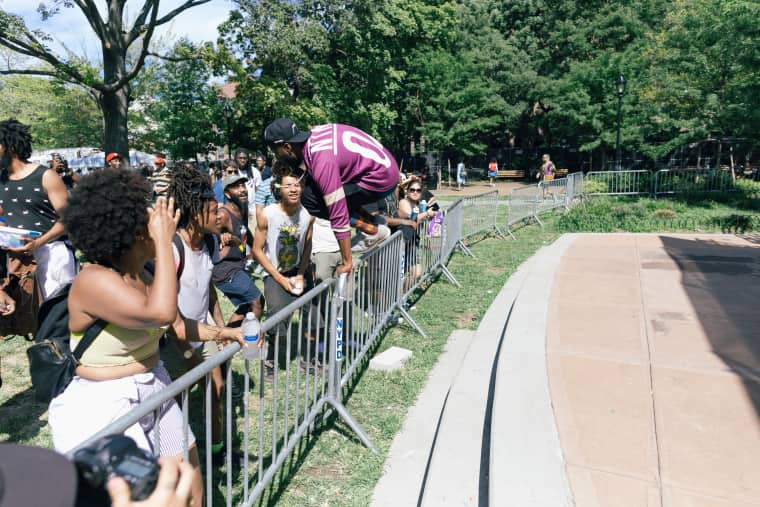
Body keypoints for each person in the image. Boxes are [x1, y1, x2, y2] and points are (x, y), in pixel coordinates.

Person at [48, 169, 204, 506]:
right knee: (141, 494)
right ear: (134, 233)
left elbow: (175, 324)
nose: (159, 222)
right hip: (103, 402)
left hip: (154, 384)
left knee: (188, 478)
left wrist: (229, 332)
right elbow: (160, 314)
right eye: (149, 218)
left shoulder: (147, 273)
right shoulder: (93, 280)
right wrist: (164, 243)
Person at [164, 165, 249, 466]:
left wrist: (221, 327)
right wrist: (186, 350)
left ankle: (216, 451)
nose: (219, 216)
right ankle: (175, 461)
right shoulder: (172, 249)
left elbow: (208, 290)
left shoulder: (211, 241)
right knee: (175, 405)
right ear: (194, 211)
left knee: (217, 387)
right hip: (172, 339)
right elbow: (167, 314)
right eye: (213, 211)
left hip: (204, 331)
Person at [264, 118, 396, 275]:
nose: (277, 157)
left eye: (275, 152)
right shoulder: (315, 135)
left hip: (381, 180)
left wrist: (347, 261)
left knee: (311, 199)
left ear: (287, 147)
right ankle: (373, 223)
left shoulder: (322, 161)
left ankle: (372, 230)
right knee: (314, 189)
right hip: (383, 167)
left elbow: (338, 212)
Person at [0, 119, 77, 302]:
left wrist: (38, 243)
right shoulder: (1, 179)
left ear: (10, 146)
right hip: (16, 258)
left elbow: (68, 218)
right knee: (27, 318)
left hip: (52, 255)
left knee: (56, 313)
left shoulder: (45, 176)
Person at [252, 168, 318, 380]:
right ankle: (269, 360)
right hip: (274, 273)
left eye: (297, 185)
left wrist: (300, 273)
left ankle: (307, 360)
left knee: (314, 317)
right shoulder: (268, 214)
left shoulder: (307, 215)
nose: (293, 189)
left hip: (298, 271)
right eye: (288, 185)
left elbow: (307, 246)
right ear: (279, 189)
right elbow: (256, 250)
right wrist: (280, 278)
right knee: (277, 319)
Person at [213, 173, 263, 327]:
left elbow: (244, 231)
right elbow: (204, 234)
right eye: (236, 187)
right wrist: (220, 236)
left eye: (243, 185)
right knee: (257, 300)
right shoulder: (222, 215)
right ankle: (252, 339)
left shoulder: (242, 208)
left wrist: (255, 250)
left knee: (246, 306)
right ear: (227, 194)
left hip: (237, 266)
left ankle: (227, 341)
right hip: (224, 270)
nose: (242, 190)